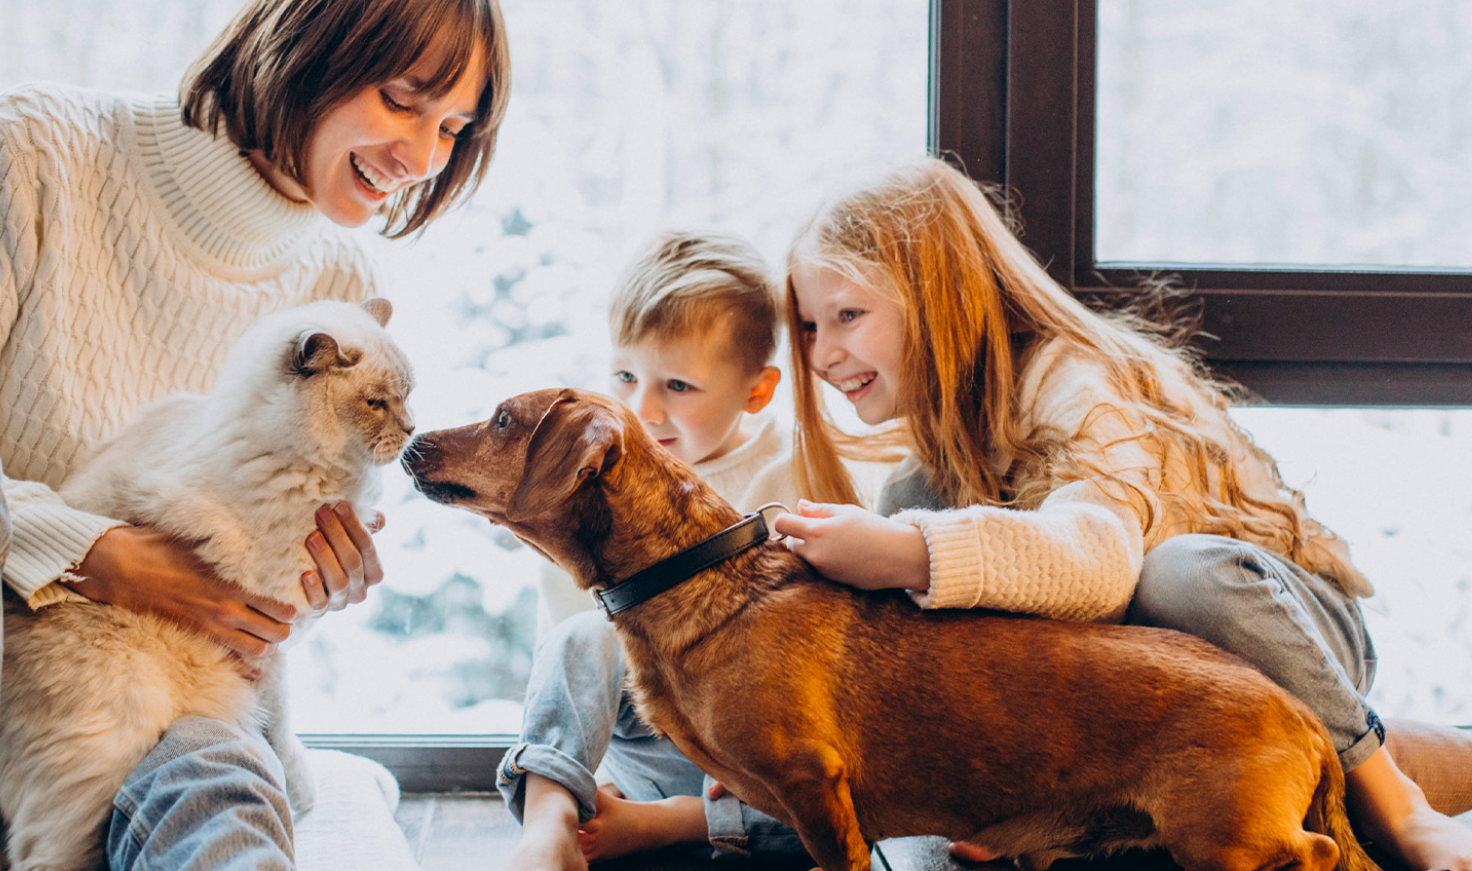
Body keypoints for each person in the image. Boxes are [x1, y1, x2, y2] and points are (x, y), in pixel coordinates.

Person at [769, 156, 1472, 871]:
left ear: (938, 294)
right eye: (809, 327)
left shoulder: (1072, 379)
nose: (822, 355)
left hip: (1284, 633)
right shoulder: (919, 487)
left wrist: (905, 553)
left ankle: (1399, 803)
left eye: (848, 315)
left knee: (1179, 574)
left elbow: (1103, 563)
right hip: (1163, 716)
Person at [0, 0, 510, 866]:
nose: (425, 158)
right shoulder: (35, 154)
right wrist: (94, 554)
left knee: (215, 783)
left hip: (169, 705)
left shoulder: (339, 287)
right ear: (305, 45)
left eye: (454, 130)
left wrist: (302, 592)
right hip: (41, 663)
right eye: (400, 99)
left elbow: (230, 610)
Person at [502, 230, 813, 871]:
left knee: (845, 801)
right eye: (624, 376)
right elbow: (567, 668)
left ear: (756, 392)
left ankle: (670, 825)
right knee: (582, 637)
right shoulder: (588, 480)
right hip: (649, 752)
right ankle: (549, 821)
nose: (641, 408)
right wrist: (595, 775)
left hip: (756, 771)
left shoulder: (794, 480)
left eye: (678, 385)